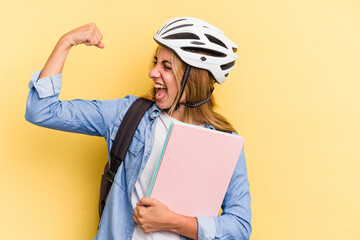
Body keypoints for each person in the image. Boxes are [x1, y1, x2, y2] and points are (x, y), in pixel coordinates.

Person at [25, 17, 252, 240]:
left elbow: (240, 227)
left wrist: (172, 221)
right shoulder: (128, 114)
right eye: (155, 63)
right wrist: (66, 41)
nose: (153, 73)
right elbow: (42, 111)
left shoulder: (224, 143)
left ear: (192, 77)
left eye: (166, 66)